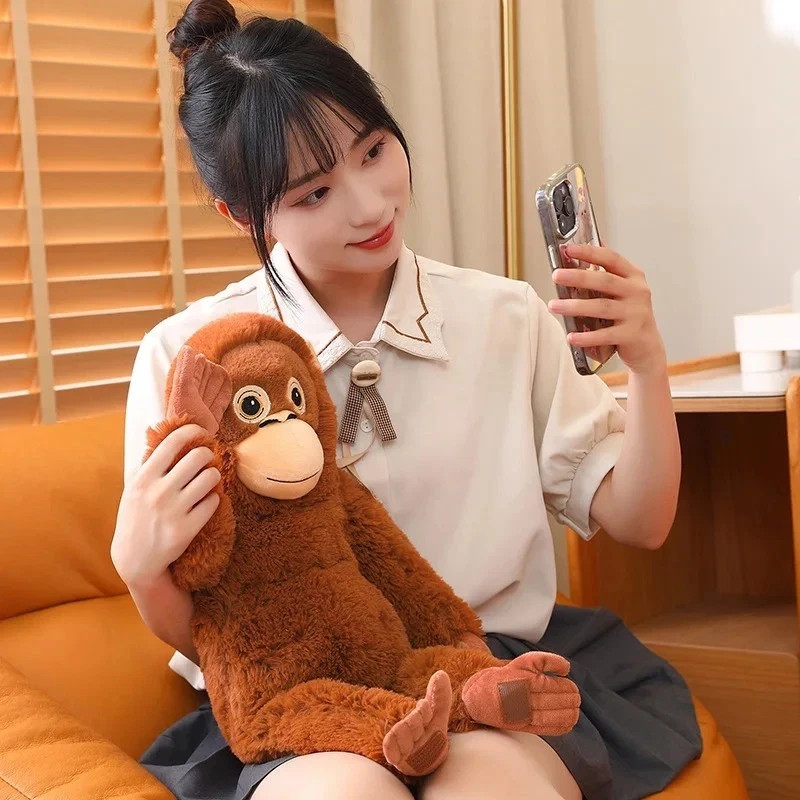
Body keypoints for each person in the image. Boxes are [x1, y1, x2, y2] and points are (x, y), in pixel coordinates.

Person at [111, 2, 700, 798]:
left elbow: (642, 521)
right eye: (315, 193)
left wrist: (649, 363)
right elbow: (205, 620)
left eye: (374, 150)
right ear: (243, 214)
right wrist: (139, 569)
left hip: (484, 666)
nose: (369, 205)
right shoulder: (189, 357)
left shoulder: (504, 316)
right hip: (298, 695)